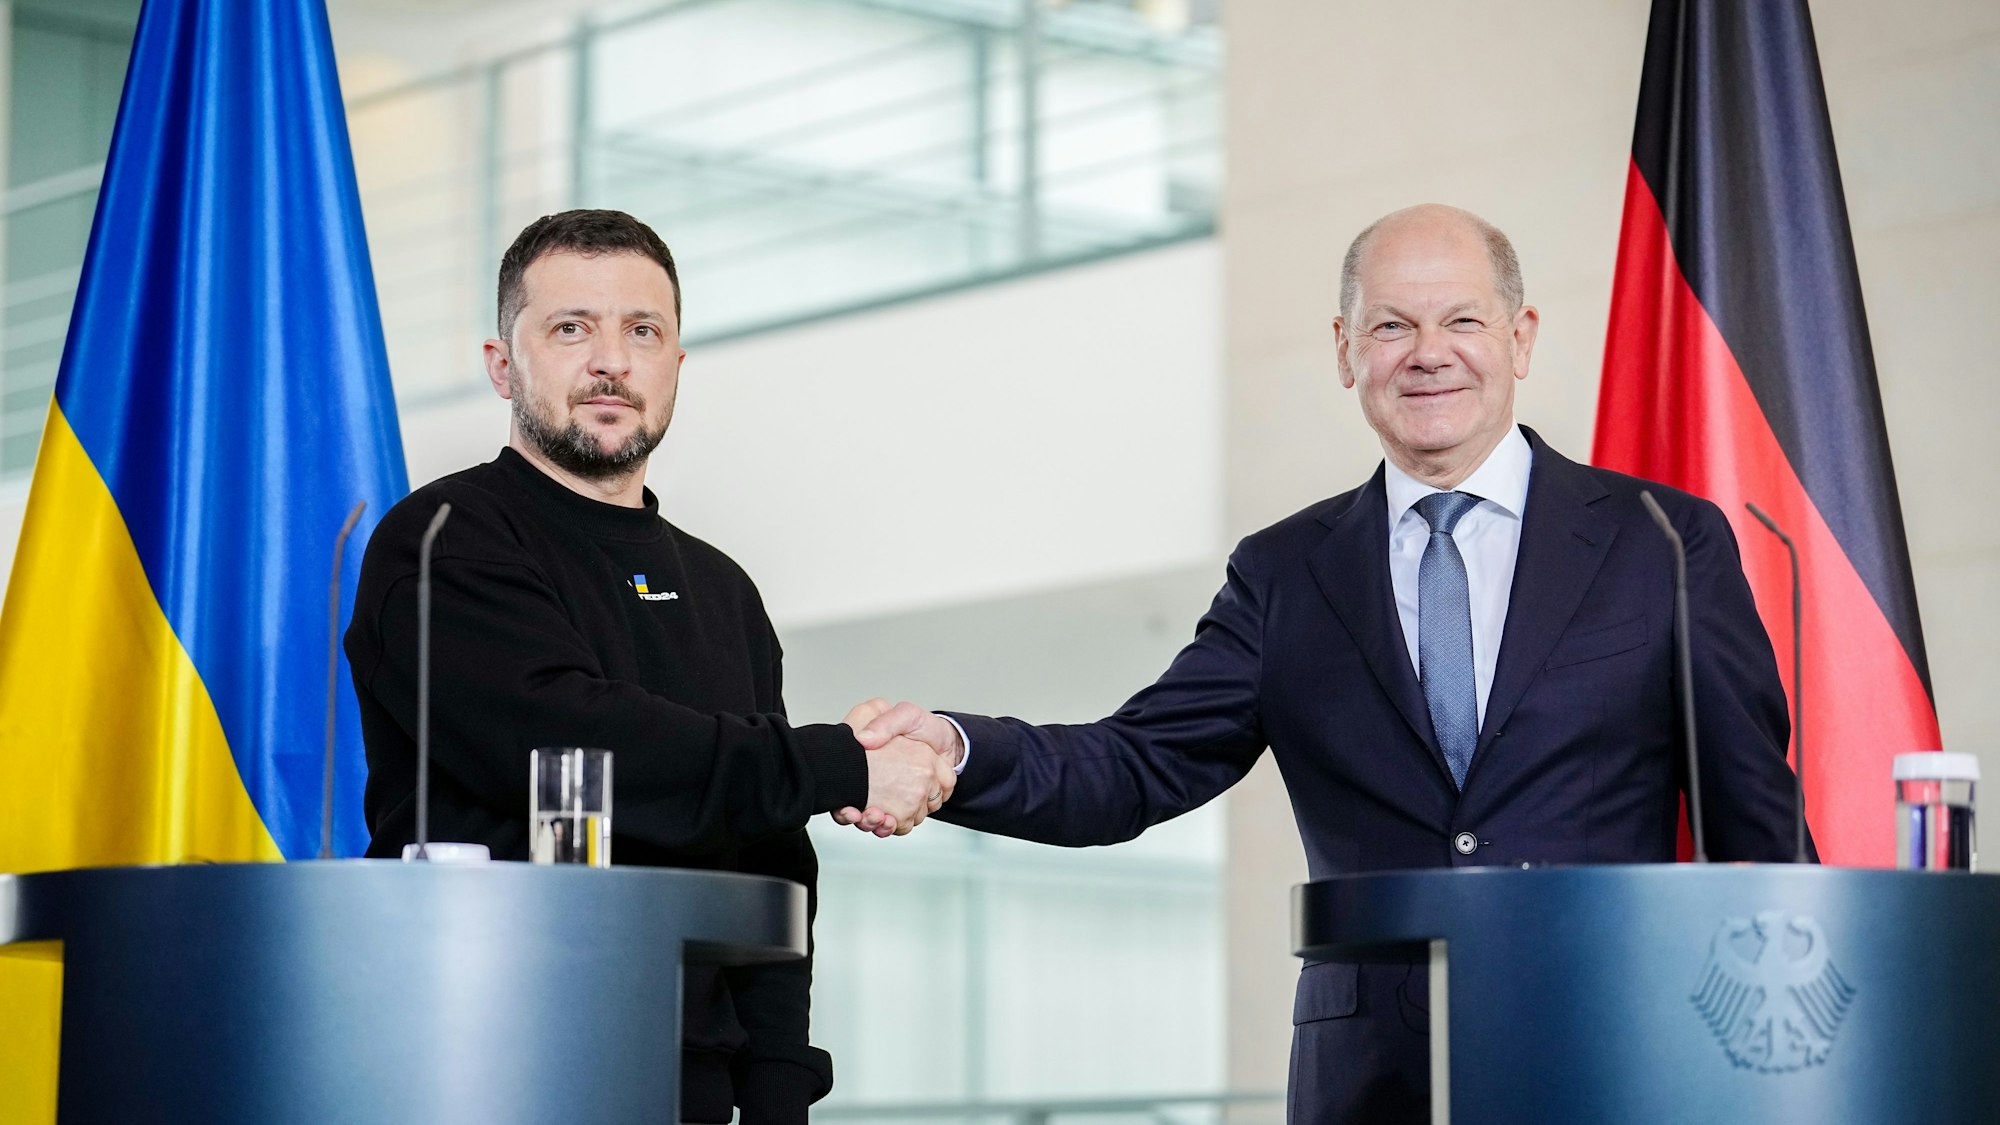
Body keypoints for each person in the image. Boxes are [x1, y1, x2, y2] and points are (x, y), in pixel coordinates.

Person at [839, 204, 1812, 1123]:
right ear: (1345, 352)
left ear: (1517, 338)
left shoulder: (1662, 542)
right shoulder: (1282, 574)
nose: (1427, 353)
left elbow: (1756, 827)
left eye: (1460, 319)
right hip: (1368, 1084)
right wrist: (953, 750)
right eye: (1390, 326)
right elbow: (1134, 766)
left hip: (1615, 1051)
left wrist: (1797, 1067)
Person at [344, 209, 953, 1124]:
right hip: (476, 1059)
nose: (611, 361)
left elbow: (773, 857)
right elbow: (568, 741)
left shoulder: (723, 589)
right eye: (571, 328)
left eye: (643, 331)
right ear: (502, 364)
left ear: (675, 364)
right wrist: (843, 763)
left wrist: (782, 1086)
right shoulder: (440, 541)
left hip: (696, 1081)